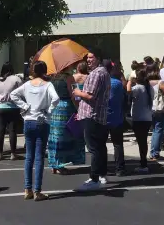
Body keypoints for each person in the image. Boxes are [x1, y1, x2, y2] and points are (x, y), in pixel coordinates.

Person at [7, 61, 60, 201]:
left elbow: (13, 95)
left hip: (29, 121)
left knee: (29, 156)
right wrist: (48, 112)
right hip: (42, 122)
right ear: (44, 71)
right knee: (39, 157)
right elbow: (56, 99)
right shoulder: (48, 85)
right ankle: (37, 191)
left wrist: (24, 106)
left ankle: (27, 189)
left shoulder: (27, 85)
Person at [72, 48, 111, 191]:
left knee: (93, 148)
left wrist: (77, 92)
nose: (88, 60)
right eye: (87, 58)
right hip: (100, 115)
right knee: (100, 147)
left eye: (91, 57)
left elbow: (90, 96)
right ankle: (101, 174)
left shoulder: (96, 74)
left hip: (91, 114)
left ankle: (94, 178)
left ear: (98, 58)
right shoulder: (104, 72)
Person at [48, 66, 86, 174]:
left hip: (54, 108)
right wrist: (79, 108)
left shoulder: (52, 78)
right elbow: (74, 95)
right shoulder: (69, 78)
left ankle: (54, 164)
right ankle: (60, 165)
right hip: (65, 108)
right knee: (66, 136)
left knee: (55, 136)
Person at [0, 62, 23, 161]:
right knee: (12, 130)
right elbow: (22, 91)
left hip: (0, 107)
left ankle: (0, 154)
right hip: (13, 107)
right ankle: (13, 154)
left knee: (0, 130)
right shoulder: (16, 79)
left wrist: (0, 97)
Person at [126, 68, 154, 173]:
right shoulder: (148, 88)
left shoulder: (137, 88)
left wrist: (129, 80)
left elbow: (128, 91)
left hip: (138, 119)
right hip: (147, 118)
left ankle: (143, 164)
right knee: (143, 141)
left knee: (141, 142)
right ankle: (143, 162)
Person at [148, 65, 164, 160]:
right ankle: (154, 152)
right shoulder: (161, 83)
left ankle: (154, 151)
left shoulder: (147, 83)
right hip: (160, 108)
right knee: (158, 130)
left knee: (155, 130)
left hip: (150, 108)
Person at [106, 61, 126, 176]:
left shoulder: (102, 83)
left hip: (103, 117)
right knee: (118, 144)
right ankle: (120, 168)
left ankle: (103, 167)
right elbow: (123, 98)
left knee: (102, 144)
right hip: (117, 117)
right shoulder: (118, 83)